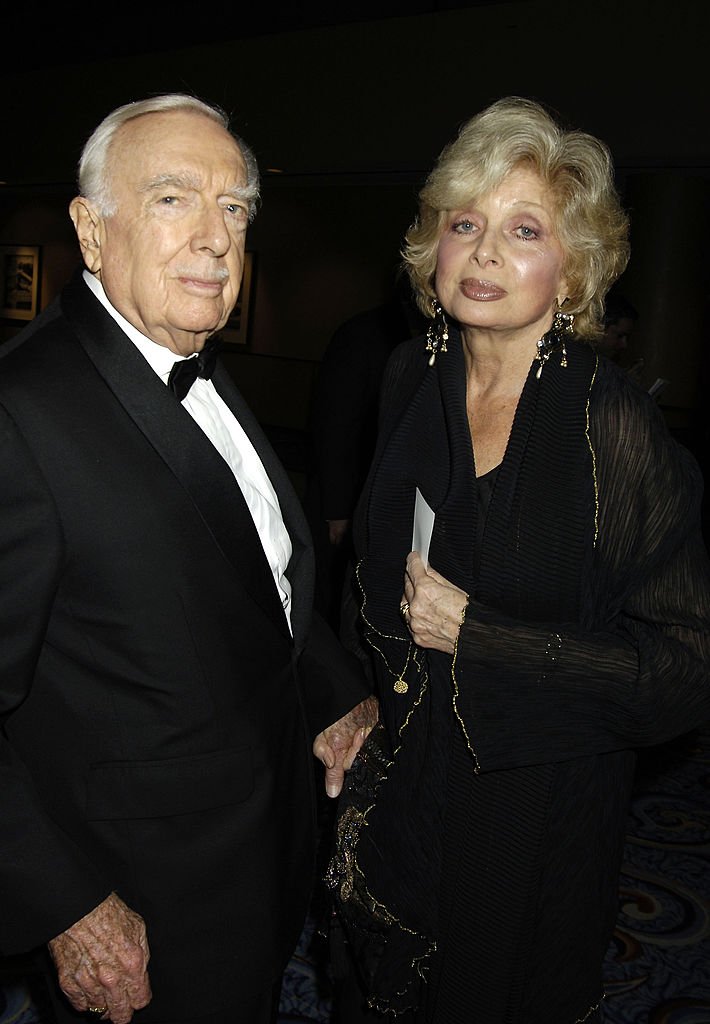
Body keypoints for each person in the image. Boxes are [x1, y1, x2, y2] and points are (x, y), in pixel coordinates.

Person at [326, 97, 710, 1024]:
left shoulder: (611, 425)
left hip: (528, 810)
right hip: (403, 778)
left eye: (524, 229)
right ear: (434, 249)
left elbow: (681, 674)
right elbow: (374, 570)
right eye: (465, 224)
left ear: (573, 268)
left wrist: (482, 639)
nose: (486, 251)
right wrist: (358, 694)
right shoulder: (411, 372)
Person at [0, 93, 376, 1024]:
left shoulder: (198, 363)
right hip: (138, 895)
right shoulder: (19, 413)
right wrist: (69, 908)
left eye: (237, 208)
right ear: (92, 231)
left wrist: (328, 689)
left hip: (265, 841)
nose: (217, 239)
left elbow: (263, 577)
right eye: (174, 198)